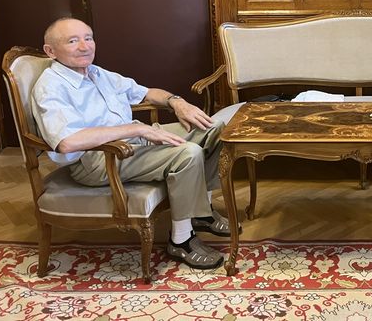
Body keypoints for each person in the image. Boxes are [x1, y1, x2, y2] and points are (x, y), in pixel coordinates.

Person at [31, 17, 234, 270]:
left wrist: (177, 102)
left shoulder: (96, 73)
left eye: (88, 38)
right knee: (188, 153)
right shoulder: (51, 86)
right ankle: (181, 240)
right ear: (50, 51)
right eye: (73, 41)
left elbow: (146, 92)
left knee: (214, 129)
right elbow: (67, 142)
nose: (85, 46)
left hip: (132, 143)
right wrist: (138, 129)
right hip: (97, 159)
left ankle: (201, 214)